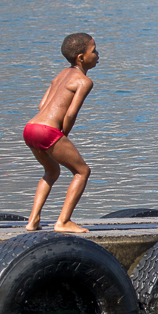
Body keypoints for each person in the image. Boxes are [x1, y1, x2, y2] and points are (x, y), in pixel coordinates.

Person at [23, 33, 99, 233]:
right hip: (47, 131)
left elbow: (41, 104)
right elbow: (71, 112)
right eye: (94, 50)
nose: (98, 54)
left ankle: (33, 221)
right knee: (82, 172)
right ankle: (63, 221)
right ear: (81, 57)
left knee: (52, 171)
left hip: (30, 128)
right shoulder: (84, 81)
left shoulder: (60, 75)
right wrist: (62, 134)